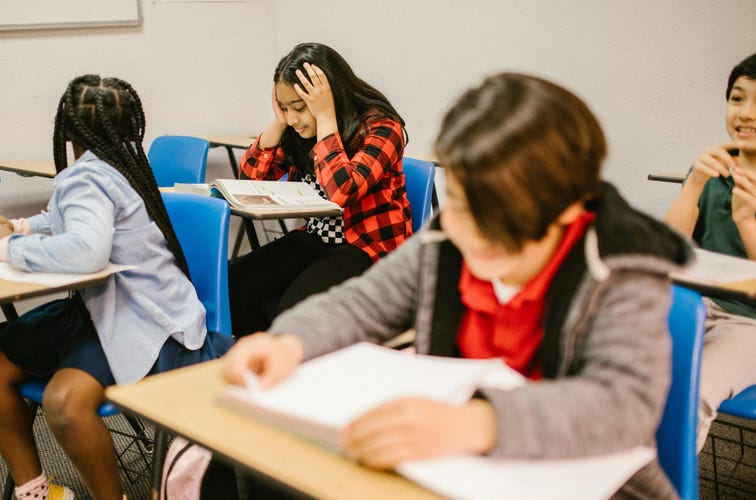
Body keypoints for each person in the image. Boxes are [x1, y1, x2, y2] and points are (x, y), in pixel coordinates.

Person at [225, 73, 691, 498]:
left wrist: (478, 423)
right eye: (466, 204)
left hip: (581, 476)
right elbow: (362, 303)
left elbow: (622, 406)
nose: (475, 233)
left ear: (571, 206)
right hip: (453, 465)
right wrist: (290, 342)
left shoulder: (622, 266)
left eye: (504, 214)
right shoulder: (450, 239)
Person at [0, 75, 232, 500]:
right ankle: (37, 491)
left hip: (144, 317)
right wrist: (19, 226)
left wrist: (6, 247)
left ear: (68, 131)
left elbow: (87, 251)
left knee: (63, 401)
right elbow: (65, 218)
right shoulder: (115, 164)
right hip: (102, 306)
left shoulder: (88, 175)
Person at [229, 42, 412, 336]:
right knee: (232, 287)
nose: (292, 119)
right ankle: (274, 350)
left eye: (299, 108)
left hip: (366, 246)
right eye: (284, 108)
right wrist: (278, 123)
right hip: (317, 237)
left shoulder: (381, 128)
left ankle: (293, 349)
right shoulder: (297, 128)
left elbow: (343, 192)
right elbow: (248, 180)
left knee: (295, 312)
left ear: (328, 97)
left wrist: (326, 119)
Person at [664, 53, 756, 451]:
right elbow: (669, 250)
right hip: (696, 305)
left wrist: (747, 222)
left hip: (749, 324)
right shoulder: (715, 168)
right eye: (737, 99)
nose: (746, 113)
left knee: (690, 395)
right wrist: (695, 183)